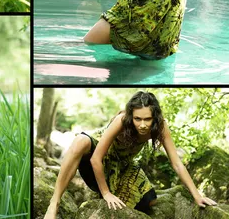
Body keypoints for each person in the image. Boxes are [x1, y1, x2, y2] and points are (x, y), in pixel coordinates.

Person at [44, 91, 217, 218]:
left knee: (150, 201)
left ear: (155, 117)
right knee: (80, 141)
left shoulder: (161, 127)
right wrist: (106, 193)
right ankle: (55, 202)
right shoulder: (122, 120)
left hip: (123, 166)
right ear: (131, 116)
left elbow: (177, 164)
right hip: (96, 159)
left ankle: (112, 190)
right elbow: (96, 158)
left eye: (147, 119)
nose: (142, 125)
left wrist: (197, 195)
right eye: (137, 119)